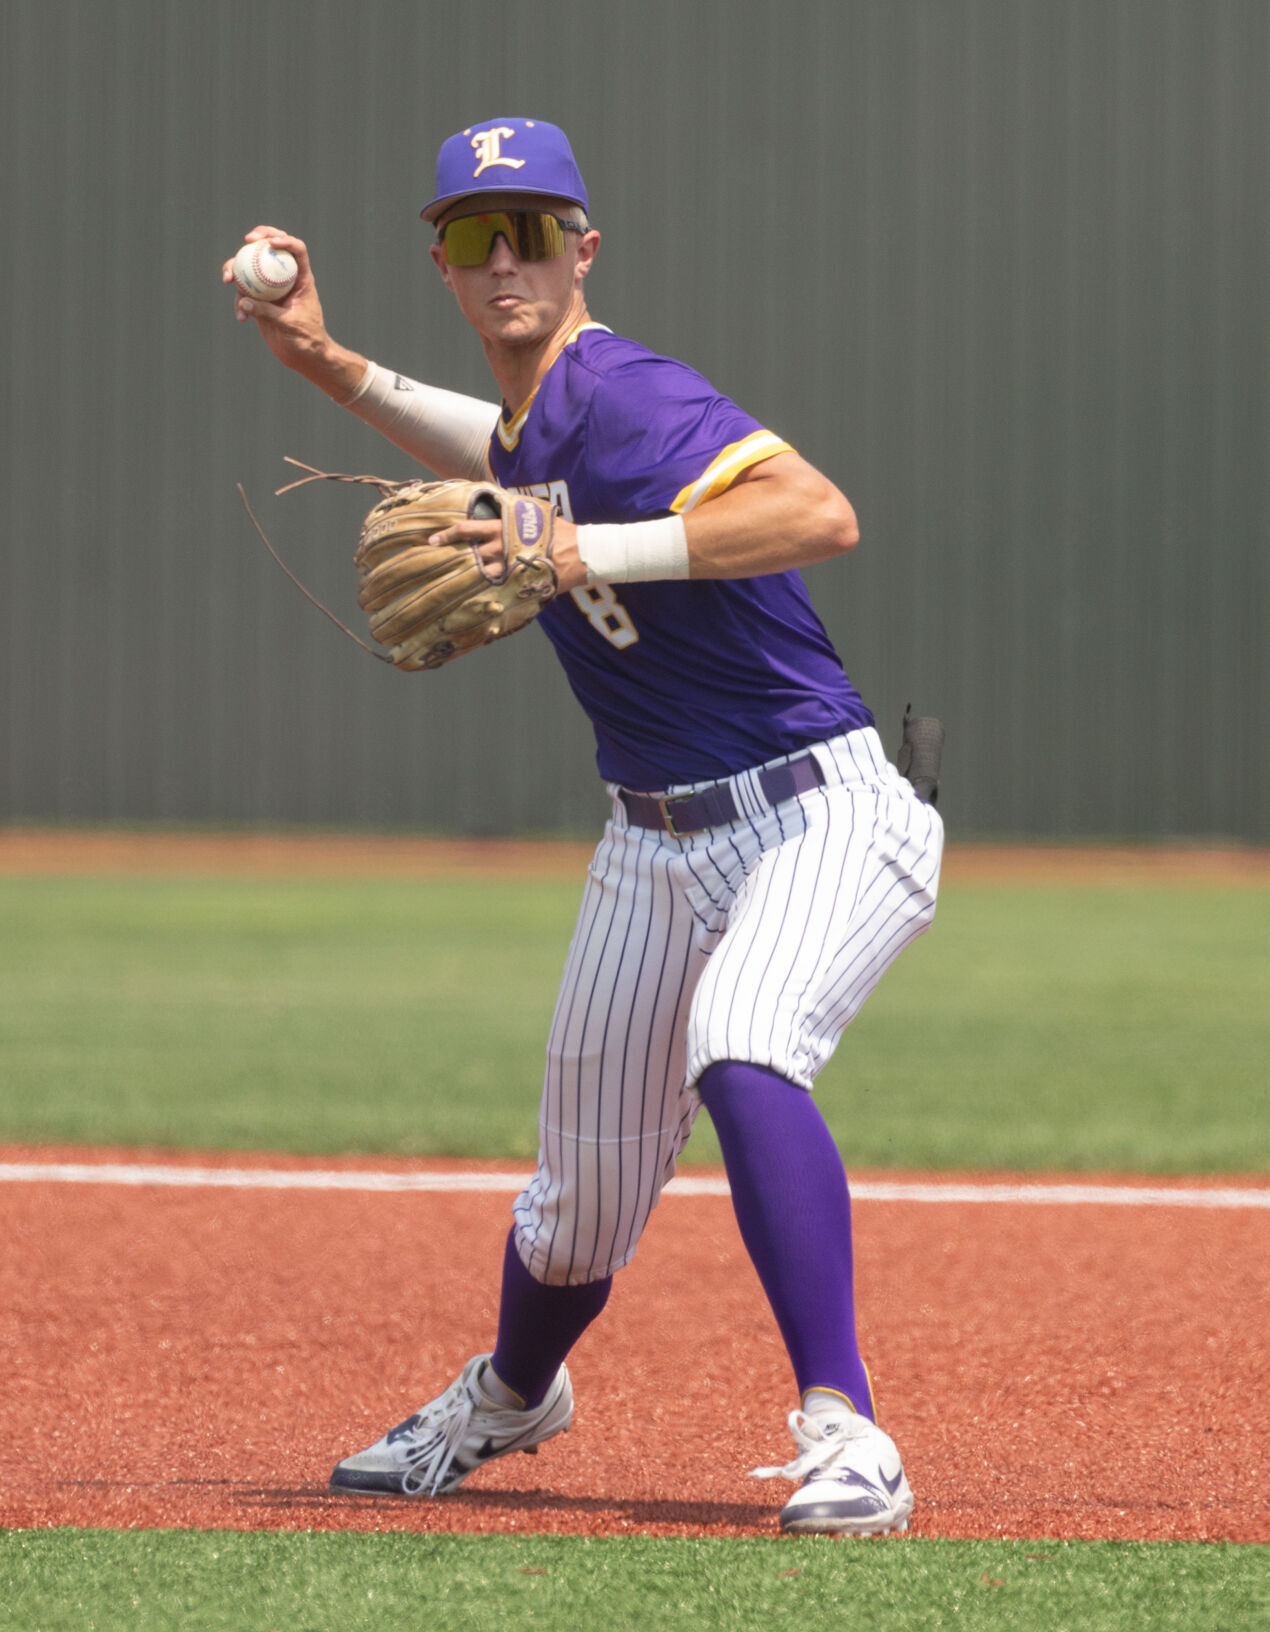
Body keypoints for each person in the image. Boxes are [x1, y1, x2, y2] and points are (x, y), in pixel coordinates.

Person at [223, 117, 943, 1536]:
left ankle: (846, 1429)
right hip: (650, 843)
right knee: (575, 1207)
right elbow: (489, 439)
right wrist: (316, 358)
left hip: (820, 809)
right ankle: (510, 1397)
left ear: (582, 249)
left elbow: (819, 512)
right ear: (441, 258)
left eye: (533, 229)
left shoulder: (624, 389)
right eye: (476, 235)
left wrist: (580, 549)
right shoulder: (536, 416)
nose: (507, 259)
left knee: (743, 1044)